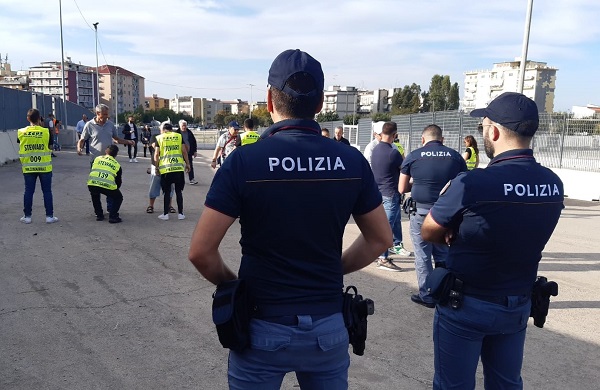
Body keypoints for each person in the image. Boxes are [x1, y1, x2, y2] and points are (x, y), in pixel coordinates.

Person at [188, 49, 391, 389]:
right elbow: (381, 239)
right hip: (328, 326)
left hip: (262, 324)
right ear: (321, 102)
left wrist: (233, 284)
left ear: (269, 99)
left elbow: (200, 251)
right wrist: (333, 269)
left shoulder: (243, 162)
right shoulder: (351, 161)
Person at [421, 92, 564, 389]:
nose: (482, 132)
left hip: (467, 304)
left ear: (494, 131)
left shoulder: (471, 183)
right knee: (506, 384)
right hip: (517, 303)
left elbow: (428, 231)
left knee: (453, 385)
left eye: (483, 126)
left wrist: (456, 233)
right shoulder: (553, 183)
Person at [399, 124, 467, 308]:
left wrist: (418, 183)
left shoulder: (414, 156)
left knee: (422, 254)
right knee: (443, 253)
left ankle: (427, 294)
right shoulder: (455, 156)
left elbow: (402, 188)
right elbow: (464, 184)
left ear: (423, 139)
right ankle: (444, 292)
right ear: (442, 139)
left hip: (421, 212)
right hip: (447, 214)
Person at [371, 121, 412, 271]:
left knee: (390, 224)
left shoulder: (375, 149)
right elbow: (404, 170)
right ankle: (382, 258)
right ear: (395, 135)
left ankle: (385, 251)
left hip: (379, 192)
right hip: (391, 193)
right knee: (387, 227)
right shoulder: (393, 152)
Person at [17, 108, 58, 224]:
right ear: (40, 118)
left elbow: (21, 146)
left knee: (29, 191)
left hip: (29, 167)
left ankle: (27, 216)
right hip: (44, 167)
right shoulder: (46, 132)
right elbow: (50, 147)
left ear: (27, 119)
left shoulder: (21, 132)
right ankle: (49, 216)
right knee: (47, 192)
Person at [154, 121, 190, 220]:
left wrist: (157, 167)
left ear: (163, 130)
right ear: (171, 129)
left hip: (166, 169)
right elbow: (184, 151)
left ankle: (165, 214)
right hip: (178, 168)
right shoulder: (178, 136)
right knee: (179, 191)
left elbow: (156, 154)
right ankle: (181, 214)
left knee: (167, 192)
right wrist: (188, 164)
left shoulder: (160, 138)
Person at [87, 145, 123, 223]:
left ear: (106, 151)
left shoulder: (97, 158)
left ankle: (99, 215)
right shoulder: (117, 165)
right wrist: (115, 189)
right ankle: (113, 216)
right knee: (118, 197)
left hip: (92, 183)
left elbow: (92, 169)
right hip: (107, 185)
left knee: (95, 195)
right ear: (116, 155)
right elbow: (118, 182)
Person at [179, 119, 199, 185]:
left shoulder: (189, 132)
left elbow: (193, 141)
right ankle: (180, 180)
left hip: (189, 152)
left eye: (185, 125)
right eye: (183, 126)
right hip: (179, 153)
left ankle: (191, 179)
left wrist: (195, 151)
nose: (184, 127)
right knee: (180, 166)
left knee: (190, 165)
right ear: (180, 126)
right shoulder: (177, 133)